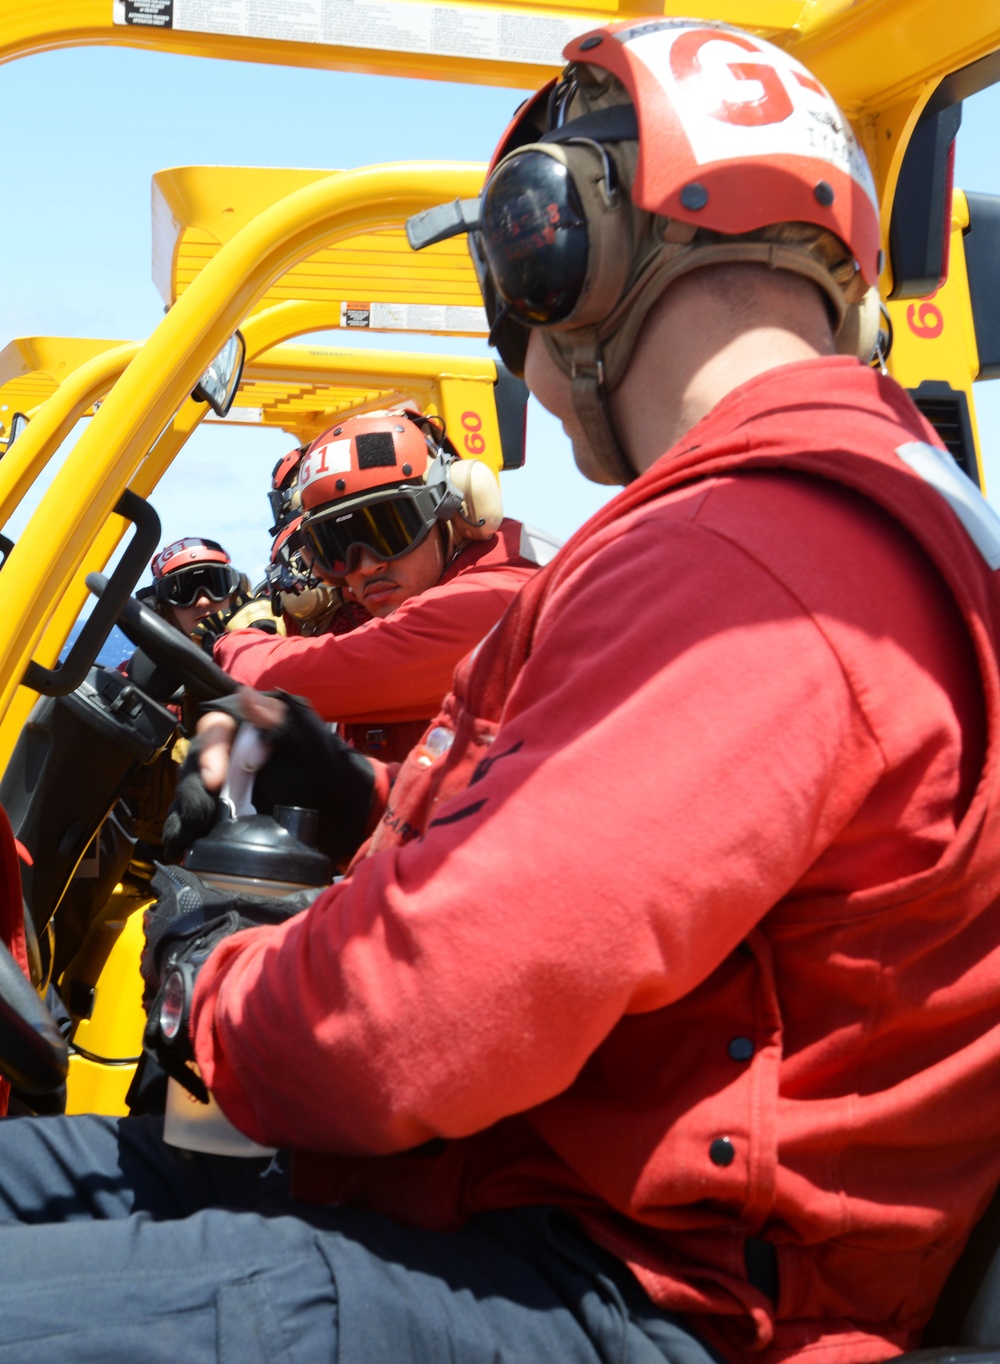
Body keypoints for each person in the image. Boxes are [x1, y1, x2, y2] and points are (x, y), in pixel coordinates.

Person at [0, 19, 998, 1364]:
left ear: (552, 245)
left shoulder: (749, 550)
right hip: (562, 1201)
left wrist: (203, 989)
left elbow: (414, 1033)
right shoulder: (842, 514)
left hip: (637, 1283)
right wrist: (362, 804)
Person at [207, 406, 555, 762]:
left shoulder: (496, 596)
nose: (367, 566)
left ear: (455, 506)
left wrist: (231, 643)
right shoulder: (438, 583)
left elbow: (273, 677)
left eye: (389, 530)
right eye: (338, 546)